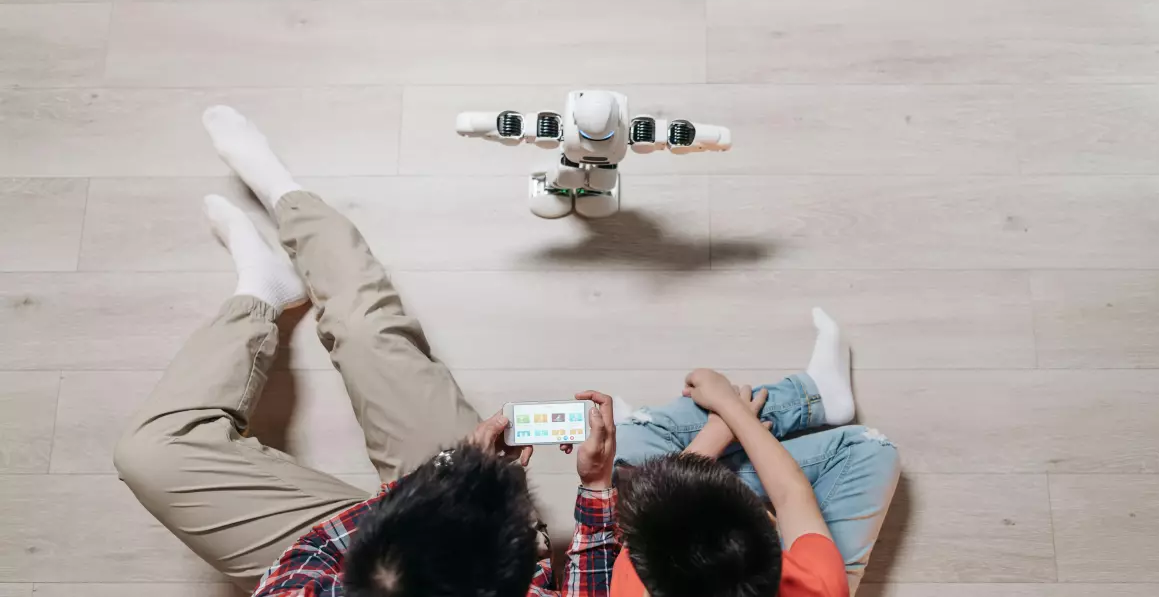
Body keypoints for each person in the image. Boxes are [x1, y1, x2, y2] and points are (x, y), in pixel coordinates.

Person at [112, 106, 620, 597]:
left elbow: (313, 554)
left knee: (150, 454)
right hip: (474, 537)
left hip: (364, 549)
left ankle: (259, 294)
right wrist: (593, 487)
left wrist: (452, 474)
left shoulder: (297, 588)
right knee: (369, 333)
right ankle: (288, 200)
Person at [609, 313, 900, 597]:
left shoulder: (641, 573)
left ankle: (818, 394)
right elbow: (790, 494)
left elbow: (660, 502)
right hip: (818, 569)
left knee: (629, 442)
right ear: (775, 532)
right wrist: (729, 407)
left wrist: (719, 430)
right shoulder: (816, 587)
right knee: (871, 448)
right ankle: (813, 395)